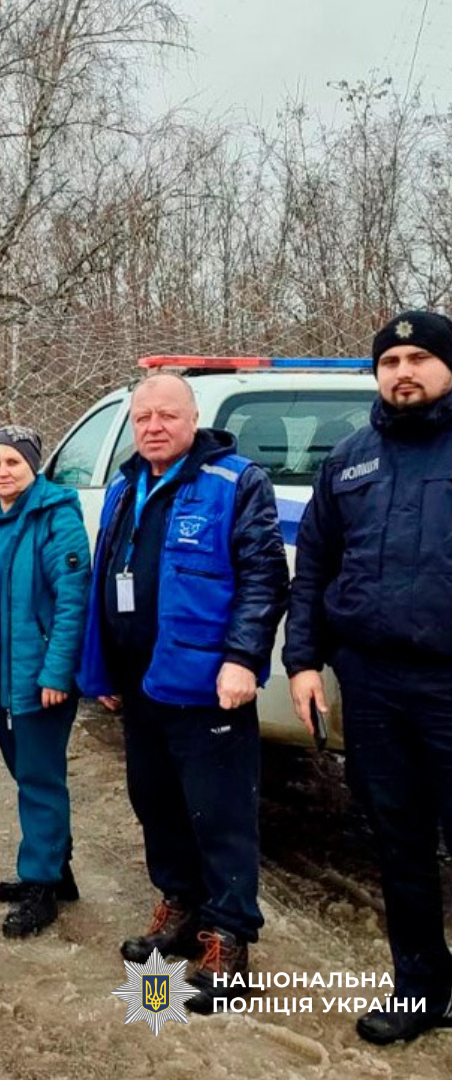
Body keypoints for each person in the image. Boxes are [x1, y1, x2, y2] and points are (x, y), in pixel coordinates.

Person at [78, 373, 288, 1013]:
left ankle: (229, 941)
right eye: (143, 417)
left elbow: (264, 577)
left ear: (193, 419)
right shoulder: (124, 486)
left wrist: (243, 658)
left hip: (208, 688)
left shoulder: (236, 482)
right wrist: (102, 671)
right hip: (143, 686)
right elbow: (104, 582)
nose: (152, 427)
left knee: (219, 815)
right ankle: (180, 908)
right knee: (157, 803)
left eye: (166, 415)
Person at [285, 311, 452, 1046]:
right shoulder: (348, 461)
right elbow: (314, 567)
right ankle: (420, 989)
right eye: (390, 361)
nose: (403, 371)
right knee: (398, 841)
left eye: (419, 357)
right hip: (373, 683)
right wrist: (302, 662)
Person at [0, 425, 90, 938]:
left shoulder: (56, 517)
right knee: (25, 770)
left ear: (33, 466)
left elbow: (73, 598)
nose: (2, 472)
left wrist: (57, 671)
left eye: (13, 462)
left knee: (39, 776)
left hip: (38, 675)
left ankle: (40, 886)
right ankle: (57, 867)